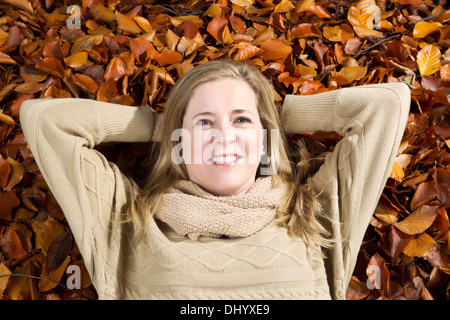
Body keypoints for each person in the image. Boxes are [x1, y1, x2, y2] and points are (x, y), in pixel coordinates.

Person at [19, 59, 411, 299]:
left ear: (264, 138)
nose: (224, 135)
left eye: (241, 119)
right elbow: (46, 120)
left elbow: (386, 105)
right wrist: (159, 123)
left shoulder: (313, 213)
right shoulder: (127, 220)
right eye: (204, 123)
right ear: (179, 141)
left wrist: (276, 116)